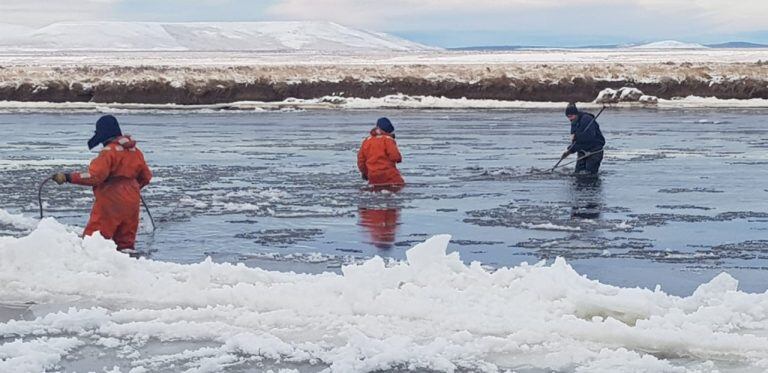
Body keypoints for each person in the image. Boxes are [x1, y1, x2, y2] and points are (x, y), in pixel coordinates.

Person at [52, 115, 152, 251]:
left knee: (94, 241)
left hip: (111, 199)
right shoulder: (135, 152)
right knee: (126, 244)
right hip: (132, 200)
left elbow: (95, 177)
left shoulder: (108, 153)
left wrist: (68, 177)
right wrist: (131, 189)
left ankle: (90, 267)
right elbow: (146, 176)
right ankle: (128, 267)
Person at [357, 117, 404, 189]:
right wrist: (398, 159)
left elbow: (361, 160)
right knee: (398, 187)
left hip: (373, 175)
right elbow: (395, 157)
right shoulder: (388, 140)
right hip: (389, 175)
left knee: (376, 192)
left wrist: (364, 173)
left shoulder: (367, 141)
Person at [561, 103, 605, 174]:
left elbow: (590, 136)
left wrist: (576, 136)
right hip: (582, 151)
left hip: (595, 151)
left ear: (576, 114)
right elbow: (575, 141)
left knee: (589, 175)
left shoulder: (587, 119)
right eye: (568, 117)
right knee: (578, 174)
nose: (570, 119)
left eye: (571, 116)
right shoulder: (574, 123)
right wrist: (570, 150)